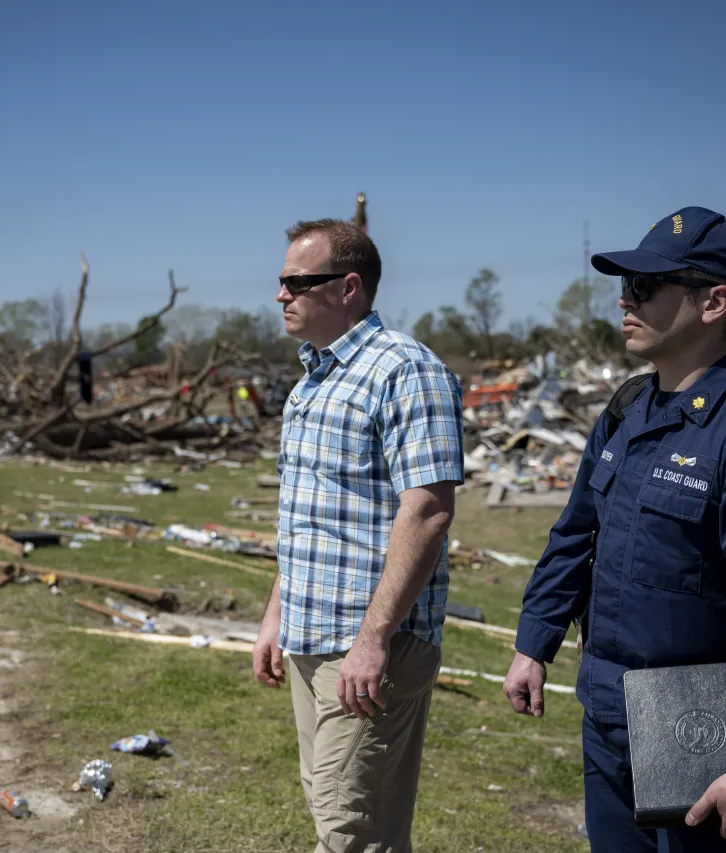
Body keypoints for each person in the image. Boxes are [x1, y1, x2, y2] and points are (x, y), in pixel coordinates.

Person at [503, 207, 726, 851]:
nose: (625, 299)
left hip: (702, 733)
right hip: (609, 710)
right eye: (625, 284)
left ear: (714, 302)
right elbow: (576, 534)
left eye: (646, 286)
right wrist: (534, 642)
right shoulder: (629, 407)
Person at [252, 218, 465, 851]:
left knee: (347, 831)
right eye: (281, 281)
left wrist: (372, 641)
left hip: (372, 646)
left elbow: (428, 510)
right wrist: (274, 615)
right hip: (309, 638)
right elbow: (309, 518)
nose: (282, 294)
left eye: (298, 281)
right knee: (357, 823)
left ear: (348, 287)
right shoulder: (311, 384)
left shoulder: (405, 371)